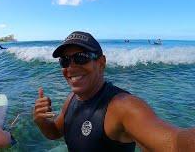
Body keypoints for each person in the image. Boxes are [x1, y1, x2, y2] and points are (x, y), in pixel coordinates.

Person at [33, 31, 195, 151]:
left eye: (81, 57)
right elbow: (55, 133)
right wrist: (41, 121)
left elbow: (175, 142)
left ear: (101, 63)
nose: (71, 67)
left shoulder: (122, 106)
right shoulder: (72, 99)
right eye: (65, 61)